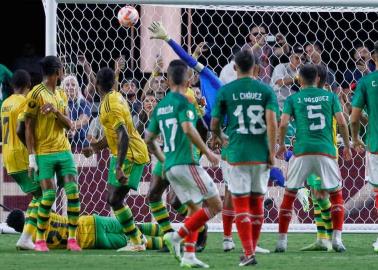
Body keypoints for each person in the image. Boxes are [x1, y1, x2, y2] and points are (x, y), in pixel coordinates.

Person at [145, 59, 222, 268]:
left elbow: (149, 139)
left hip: (170, 167)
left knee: (193, 208)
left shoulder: (160, 106)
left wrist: (163, 159)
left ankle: (189, 256)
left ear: (168, 80)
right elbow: (189, 129)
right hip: (187, 163)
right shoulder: (185, 102)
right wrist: (208, 152)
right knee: (216, 205)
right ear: (188, 79)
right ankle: (176, 237)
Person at [211, 49, 278, 266]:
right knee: (257, 202)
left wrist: (219, 136)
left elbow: (214, 124)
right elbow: (272, 122)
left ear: (234, 67)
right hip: (260, 154)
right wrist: (271, 151)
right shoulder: (266, 90)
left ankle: (249, 252)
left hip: (237, 154)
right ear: (256, 68)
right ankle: (251, 250)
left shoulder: (226, 90)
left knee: (240, 203)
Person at [275, 64, 352, 253]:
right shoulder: (331, 97)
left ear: (299, 79)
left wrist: (282, 144)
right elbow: (343, 122)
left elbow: (283, 123)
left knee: (290, 195)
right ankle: (335, 240)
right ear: (317, 78)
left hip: (302, 151)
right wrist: (348, 146)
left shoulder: (293, 98)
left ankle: (282, 242)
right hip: (326, 151)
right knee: (334, 195)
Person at [84, 67, 150, 252]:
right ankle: (137, 238)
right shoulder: (117, 97)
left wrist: (119, 167)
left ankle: (136, 240)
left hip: (130, 154)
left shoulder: (109, 105)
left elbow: (123, 136)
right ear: (114, 83)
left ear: (96, 85)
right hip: (124, 153)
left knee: (114, 199)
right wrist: (95, 147)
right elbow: (114, 134)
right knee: (113, 199)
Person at [24, 56, 81, 252]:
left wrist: (56, 112)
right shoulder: (35, 94)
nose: (63, 72)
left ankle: (72, 239)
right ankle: (40, 240)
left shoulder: (61, 94)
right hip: (44, 154)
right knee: (48, 196)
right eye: (62, 69)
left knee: (73, 193)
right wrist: (32, 157)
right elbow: (28, 128)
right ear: (57, 71)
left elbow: (69, 125)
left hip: (64, 151)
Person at [0, 70, 41, 250]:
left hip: (8, 156)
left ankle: (34, 235)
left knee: (40, 195)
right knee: (45, 194)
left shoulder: (5, 103)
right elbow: (25, 129)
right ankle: (29, 237)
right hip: (21, 155)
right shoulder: (24, 102)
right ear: (29, 85)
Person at [6, 209, 167, 251]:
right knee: (133, 227)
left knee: (140, 242)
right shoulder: (41, 215)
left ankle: (171, 244)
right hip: (92, 222)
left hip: (94, 241)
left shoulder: (32, 241)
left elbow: (21, 244)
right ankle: (174, 233)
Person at [350, 41, 378, 252]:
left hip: (376, 144)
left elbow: (354, 116)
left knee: (377, 190)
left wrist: (355, 139)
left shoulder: (367, 81)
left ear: (373, 57)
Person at [270, 45, 305, 110]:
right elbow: (280, 82)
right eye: (297, 58)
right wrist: (297, 78)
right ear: (290, 58)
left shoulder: (302, 71)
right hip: (276, 105)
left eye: (302, 59)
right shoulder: (281, 67)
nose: (300, 61)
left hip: (292, 106)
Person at [62, 75, 91, 148]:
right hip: (62, 143)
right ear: (62, 88)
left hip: (81, 144)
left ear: (77, 88)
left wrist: (71, 127)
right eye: (67, 85)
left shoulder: (83, 103)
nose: (70, 87)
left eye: (73, 85)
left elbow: (84, 120)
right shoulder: (60, 102)